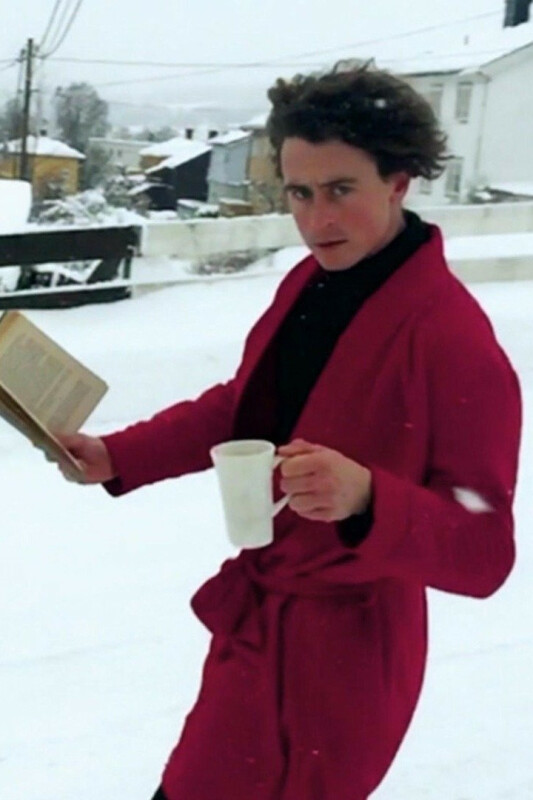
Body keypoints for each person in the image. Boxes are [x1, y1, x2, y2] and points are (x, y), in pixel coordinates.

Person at [55, 64, 522, 800]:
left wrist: (367, 498)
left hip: (342, 671)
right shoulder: (311, 282)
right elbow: (244, 408)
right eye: (299, 193)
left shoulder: (453, 339)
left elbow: (485, 551)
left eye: (340, 190)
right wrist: (118, 454)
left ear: (398, 183)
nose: (315, 220)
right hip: (258, 632)